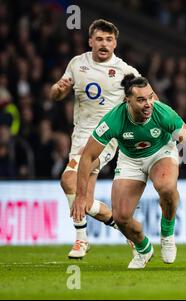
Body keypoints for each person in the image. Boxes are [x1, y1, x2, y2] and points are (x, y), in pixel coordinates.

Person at [71, 74, 186, 269]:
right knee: (121, 217)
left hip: (161, 152)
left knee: (166, 187)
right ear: (128, 101)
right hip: (130, 160)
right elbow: (87, 157)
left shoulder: (163, 113)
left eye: (151, 97)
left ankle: (167, 234)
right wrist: (80, 195)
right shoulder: (113, 120)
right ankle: (144, 249)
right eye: (141, 99)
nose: (148, 104)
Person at [50, 19, 147, 259]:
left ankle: (81, 240)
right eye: (100, 39)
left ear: (115, 43)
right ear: (90, 41)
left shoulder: (125, 71)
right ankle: (129, 231)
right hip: (80, 136)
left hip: (105, 137)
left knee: (68, 180)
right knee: (88, 202)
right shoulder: (77, 63)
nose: (104, 44)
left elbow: (148, 97)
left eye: (109, 39)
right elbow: (55, 94)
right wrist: (59, 89)